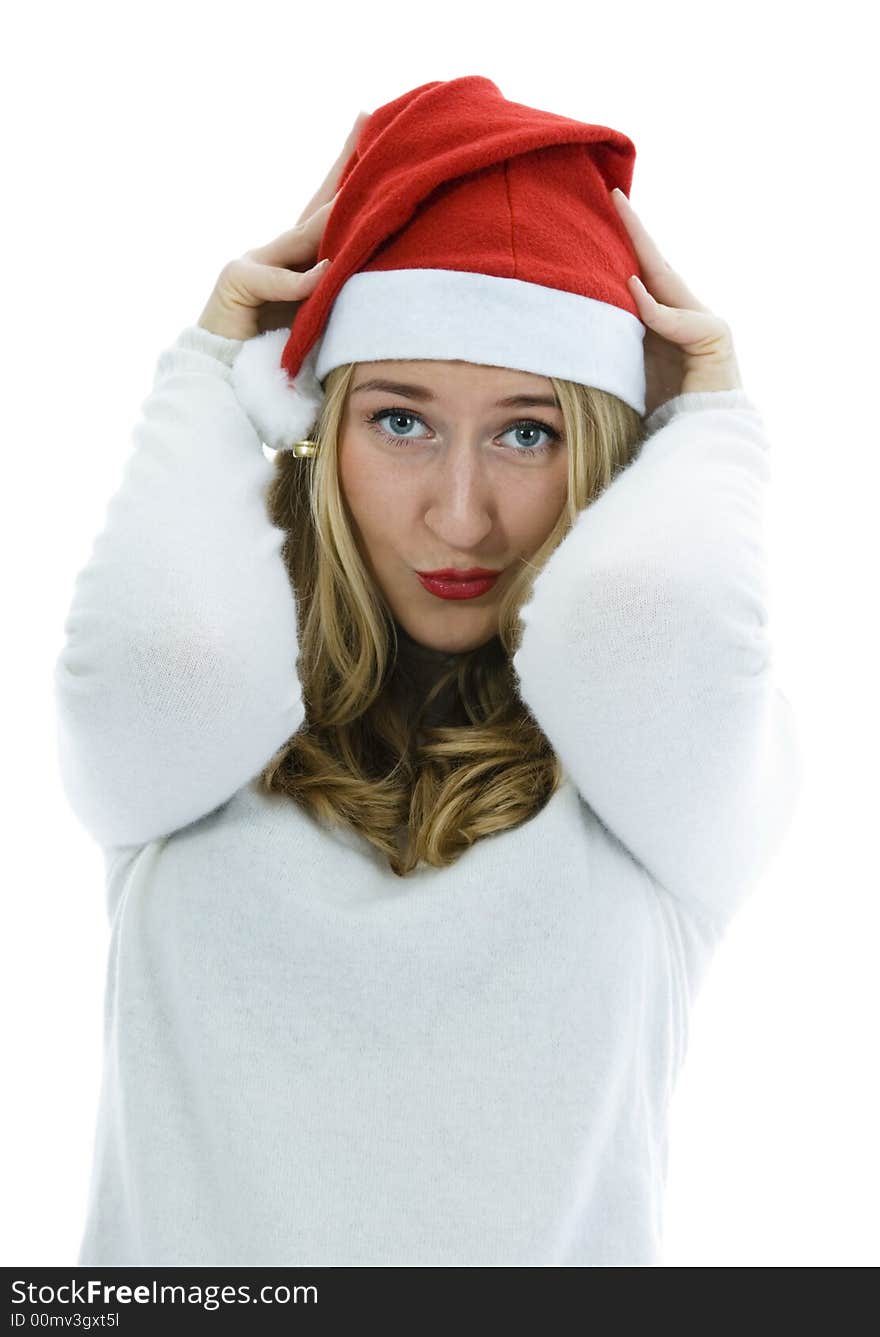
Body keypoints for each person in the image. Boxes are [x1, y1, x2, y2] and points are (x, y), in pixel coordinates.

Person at [53, 76, 803, 1266]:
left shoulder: (659, 790)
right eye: (400, 420)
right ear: (314, 422)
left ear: (606, 445)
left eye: (528, 431)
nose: (461, 518)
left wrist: (707, 409)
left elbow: (646, 622)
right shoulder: (196, 748)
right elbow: (167, 659)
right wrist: (210, 359)